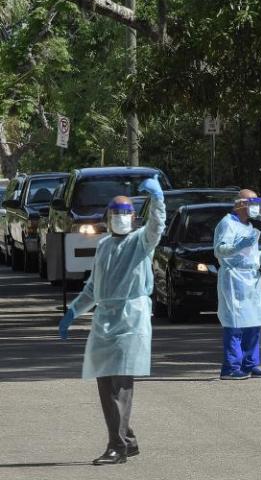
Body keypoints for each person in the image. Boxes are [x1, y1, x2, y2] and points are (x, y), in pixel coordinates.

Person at [57, 176, 165, 465]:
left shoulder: (140, 242)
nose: (121, 217)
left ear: (133, 216)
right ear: (107, 216)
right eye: (115, 213)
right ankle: (127, 440)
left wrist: (158, 200)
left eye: (126, 212)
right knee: (106, 384)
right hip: (104, 321)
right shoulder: (104, 245)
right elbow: (94, 287)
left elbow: (156, 228)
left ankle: (116, 446)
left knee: (119, 385)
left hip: (131, 320)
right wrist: (73, 312)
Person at [213, 189, 261, 380]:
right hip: (234, 280)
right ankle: (231, 367)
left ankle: (250, 364)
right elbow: (220, 250)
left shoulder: (248, 227)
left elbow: (250, 254)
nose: (257, 207)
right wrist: (239, 245)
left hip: (250, 280)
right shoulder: (227, 223)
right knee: (235, 324)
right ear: (241, 204)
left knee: (253, 322)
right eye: (253, 202)